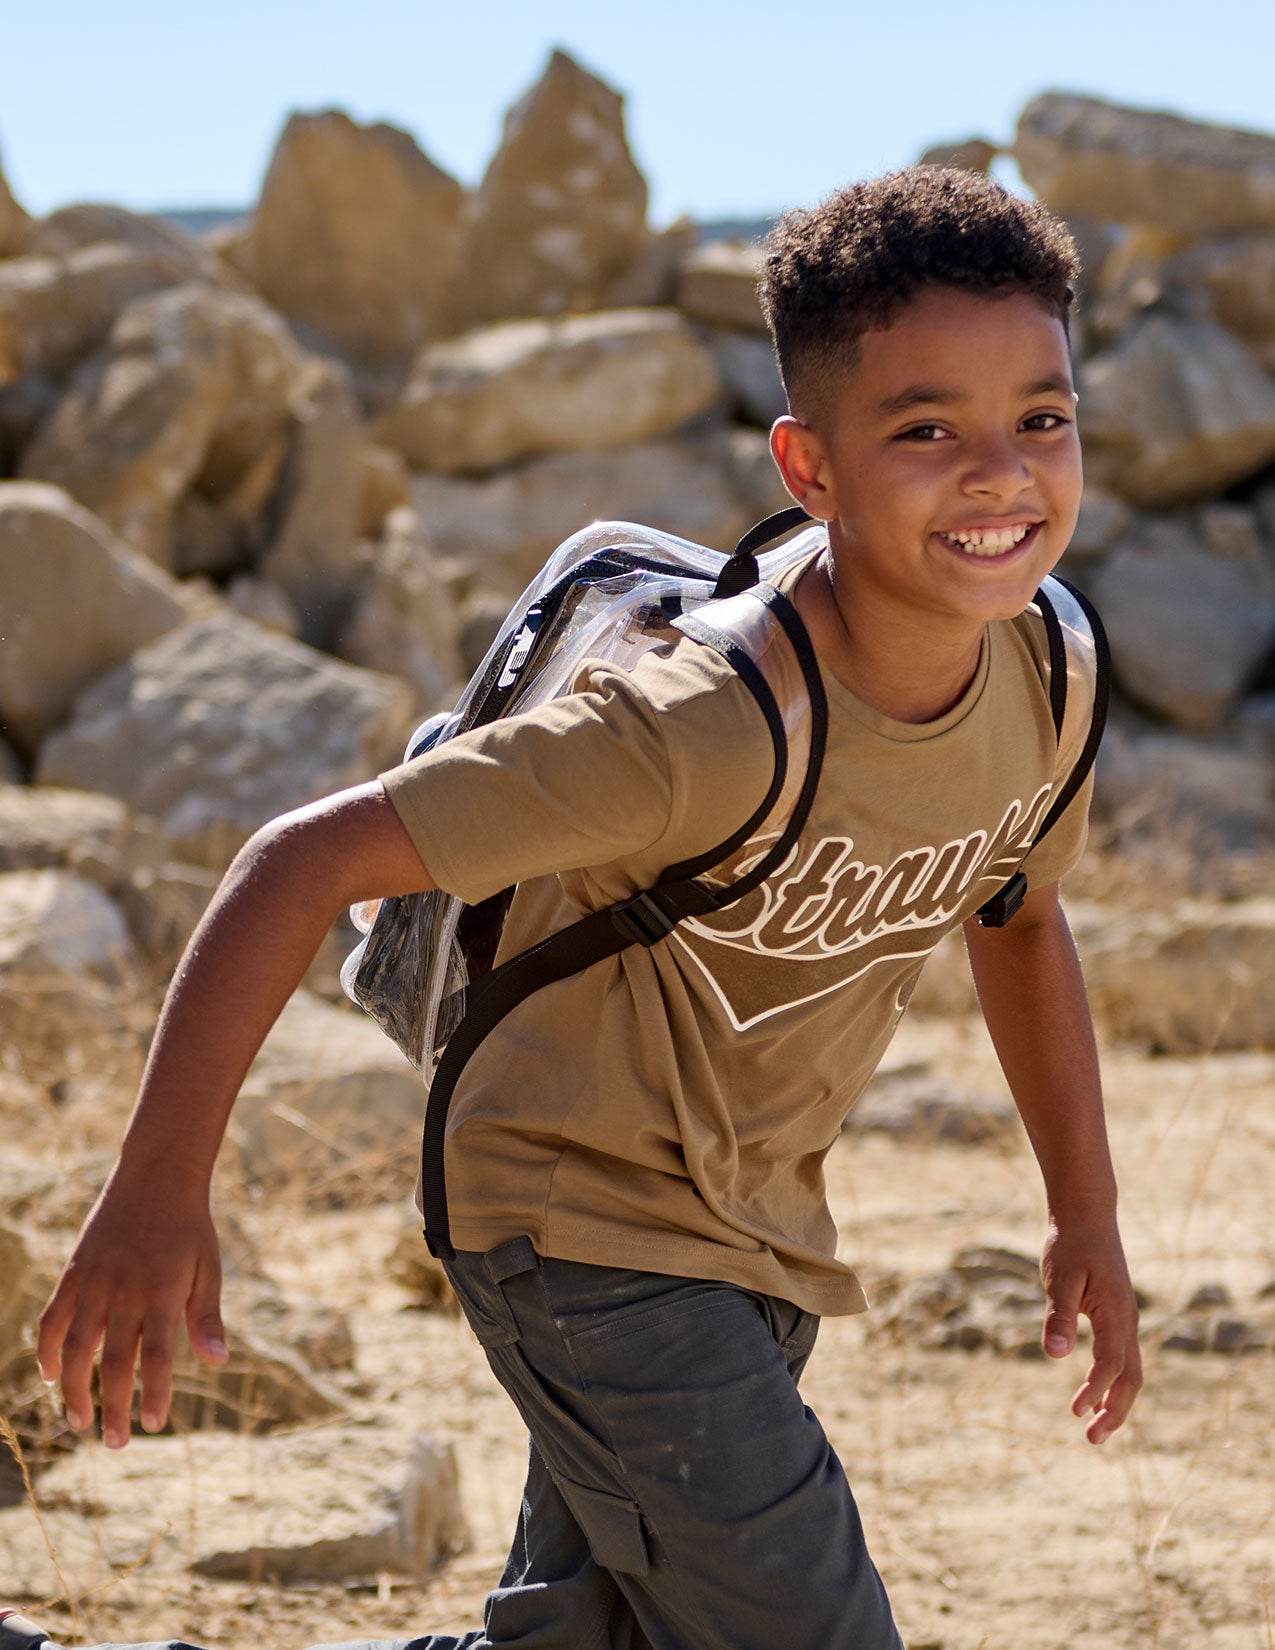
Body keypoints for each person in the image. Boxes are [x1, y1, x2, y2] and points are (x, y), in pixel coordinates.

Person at [18, 166, 1141, 1650]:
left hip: (755, 1226)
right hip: (574, 1220)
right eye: (925, 428)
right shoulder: (702, 724)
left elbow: (1014, 911)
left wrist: (1088, 1212)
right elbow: (293, 861)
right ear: (809, 467)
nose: (1000, 473)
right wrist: (158, 1193)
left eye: (1040, 419)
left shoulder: (1049, 673)